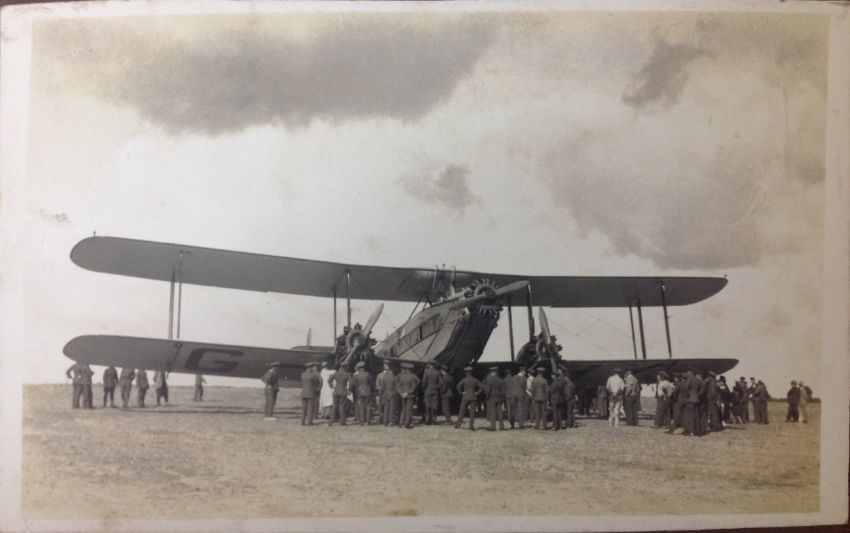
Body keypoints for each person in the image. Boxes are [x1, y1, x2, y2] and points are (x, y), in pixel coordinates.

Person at [455, 366, 483, 430]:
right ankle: (471, 426)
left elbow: (458, 386)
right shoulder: (475, 379)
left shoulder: (464, 379)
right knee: (472, 412)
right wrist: (477, 393)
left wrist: (461, 392)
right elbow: (481, 387)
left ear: (466, 373)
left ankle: (458, 425)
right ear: (471, 372)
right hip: (473, 396)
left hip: (465, 397)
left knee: (462, 411)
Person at [397, 362, 420, 429]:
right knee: (409, 409)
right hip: (410, 394)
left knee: (403, 409)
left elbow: (398, 386)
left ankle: (401, 423)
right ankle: (407, 423)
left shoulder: (400, 376)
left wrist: (401, 393)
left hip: (403, 394)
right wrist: (408, 393)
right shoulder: (413, 376)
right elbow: (415, 385)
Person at [483, 366, 506, 431]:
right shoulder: (501, 380)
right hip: (499, 398)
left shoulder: (490, 381)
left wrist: (487, 396)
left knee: (493, 413)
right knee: (500, 412)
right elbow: (503, 391)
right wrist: (502, 397)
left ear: (493, 373)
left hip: (492, 398)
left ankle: (493, 427)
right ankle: (502, 427)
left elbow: (488, 390)